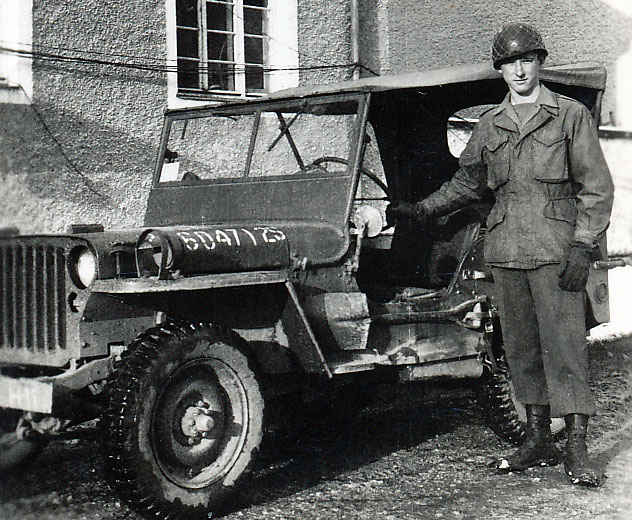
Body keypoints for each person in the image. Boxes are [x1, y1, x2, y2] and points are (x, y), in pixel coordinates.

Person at [387, 22, 614, 487]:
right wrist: (422, 209)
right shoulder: (491, 124)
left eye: (527, 60)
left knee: (565, 349)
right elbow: (468, 182)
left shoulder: (569, 116)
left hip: (555, 251)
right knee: (520, 347)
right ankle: (536, 438)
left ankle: (575, 445)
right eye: (510, 63)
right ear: (501, 69)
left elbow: (596, 188)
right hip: (506, 250)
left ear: (540, 62)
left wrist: (582, 246)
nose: (519, 70)